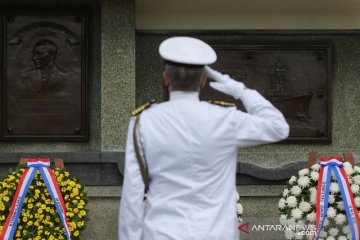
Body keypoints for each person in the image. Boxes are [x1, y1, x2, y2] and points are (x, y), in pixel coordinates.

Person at [119, 36, 289, 240]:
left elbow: (132, 193)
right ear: (204, 80)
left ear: (165, 78)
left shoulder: (143, 121)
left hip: (161, 233)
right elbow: (278, 127)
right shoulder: (225, 118)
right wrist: (239, 89)